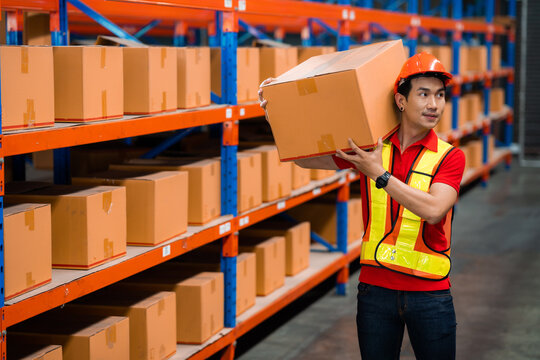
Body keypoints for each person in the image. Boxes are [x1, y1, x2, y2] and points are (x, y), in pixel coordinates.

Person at [259, 52, 465, 360]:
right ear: (401, 100)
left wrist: (378, 174)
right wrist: (278, 114)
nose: (434, 104)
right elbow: (305, 158)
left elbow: (435, 209)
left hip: (430, 295)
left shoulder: (450, 156)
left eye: (439, 95)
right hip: (375, 291)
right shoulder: (372, 147)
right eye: (423, 94)